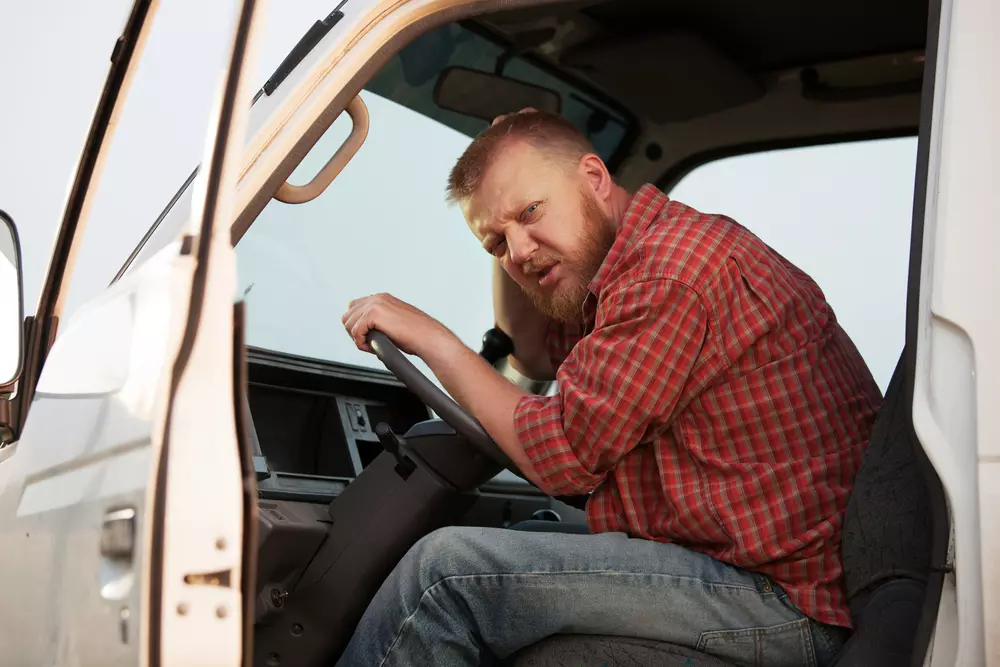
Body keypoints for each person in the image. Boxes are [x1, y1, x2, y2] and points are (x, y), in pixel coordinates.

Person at [336, 109, 882, 667]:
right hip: (734, 571)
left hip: (784, 602)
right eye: (498, 244)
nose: (520, 252)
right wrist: (510, 218)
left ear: (595, 179)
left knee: (444, 575)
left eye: (531, 211)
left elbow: (563, 454)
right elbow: (527, 348)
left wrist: (431, 339)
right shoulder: (613, 275)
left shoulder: (669, 272)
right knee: (525, 557)